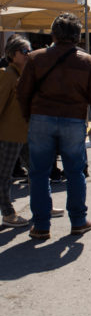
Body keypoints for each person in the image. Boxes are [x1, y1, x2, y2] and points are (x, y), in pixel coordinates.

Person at [16, 13, 91, 239]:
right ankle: (78, 221)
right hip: (74, 120)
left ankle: (41, 225)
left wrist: (29, 116)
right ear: (77, 36)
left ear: (53, 34)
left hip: (41, 119)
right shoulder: (89, 62)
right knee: (75, 172)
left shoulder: (35, 59)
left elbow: (22, 92)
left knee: (38, 174)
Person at [0, 36, 32, 227]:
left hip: (26, 132)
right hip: (9, 133)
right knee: (4, 176)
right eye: (25, 51)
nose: (28, 54)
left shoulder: (23, 73)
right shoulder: (7, 75)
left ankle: (42, 205)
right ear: (13, 54)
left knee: (36, 171)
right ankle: (8, 213)